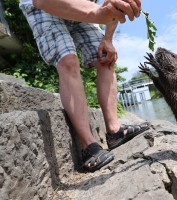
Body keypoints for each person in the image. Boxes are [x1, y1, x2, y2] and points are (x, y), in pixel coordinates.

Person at [19, 0, 150, 172]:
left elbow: (116, 7)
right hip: (43, 4)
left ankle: (114, 130)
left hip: (81, 4)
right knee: (68, 60)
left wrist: (108, 38)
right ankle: (89, 146)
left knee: (106, 58)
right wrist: (96, 14)